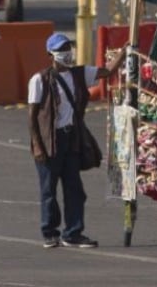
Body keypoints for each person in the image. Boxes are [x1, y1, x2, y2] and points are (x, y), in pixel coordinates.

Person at [28, 32, 127, 249]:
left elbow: (107, 71)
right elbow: (33, 116)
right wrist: (37, 146)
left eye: (68, 48)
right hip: (49, 142)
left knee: (75, 190)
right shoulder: (40, 79)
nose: (66, 54)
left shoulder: (80, 74)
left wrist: (124, 51)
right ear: (50, 54)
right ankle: (50, 233)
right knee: (48, 192)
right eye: (61, 50)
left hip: (71, 139)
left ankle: (72, 233)